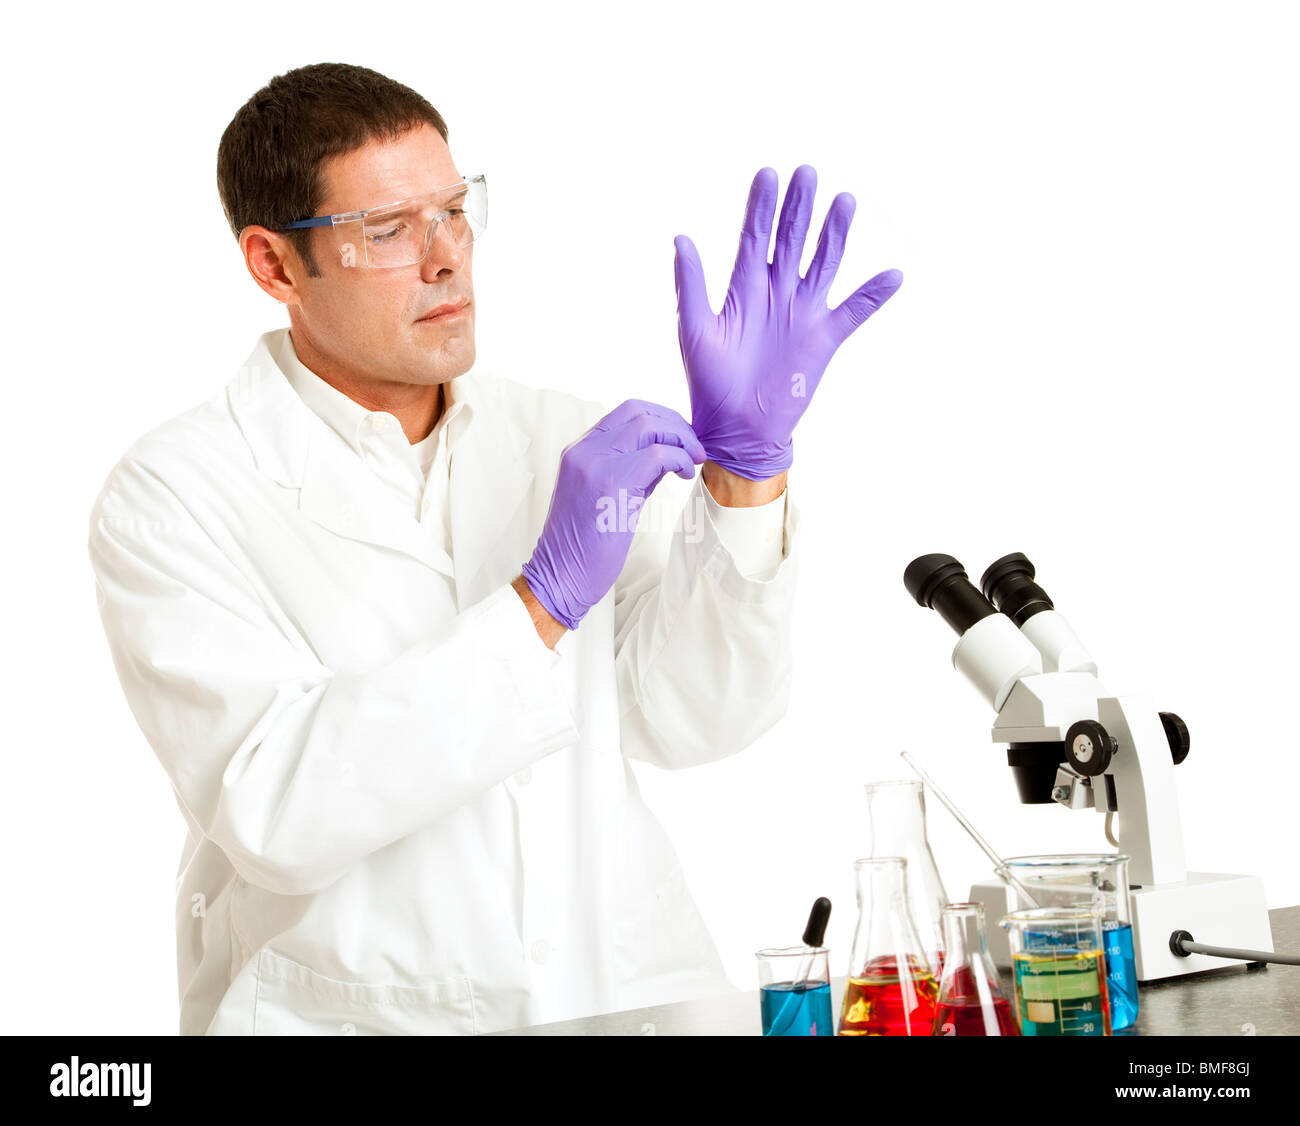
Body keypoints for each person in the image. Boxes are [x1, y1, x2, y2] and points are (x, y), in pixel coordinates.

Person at [87, 62, 902, 1035]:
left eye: (452, 209)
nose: (446, 259)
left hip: (623, 998)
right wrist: (541, 603)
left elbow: (697, 718)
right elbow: (278, 809)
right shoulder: (176, 493)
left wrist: (746, 477)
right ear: (273, 266)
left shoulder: (555, 434)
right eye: (387, 230)